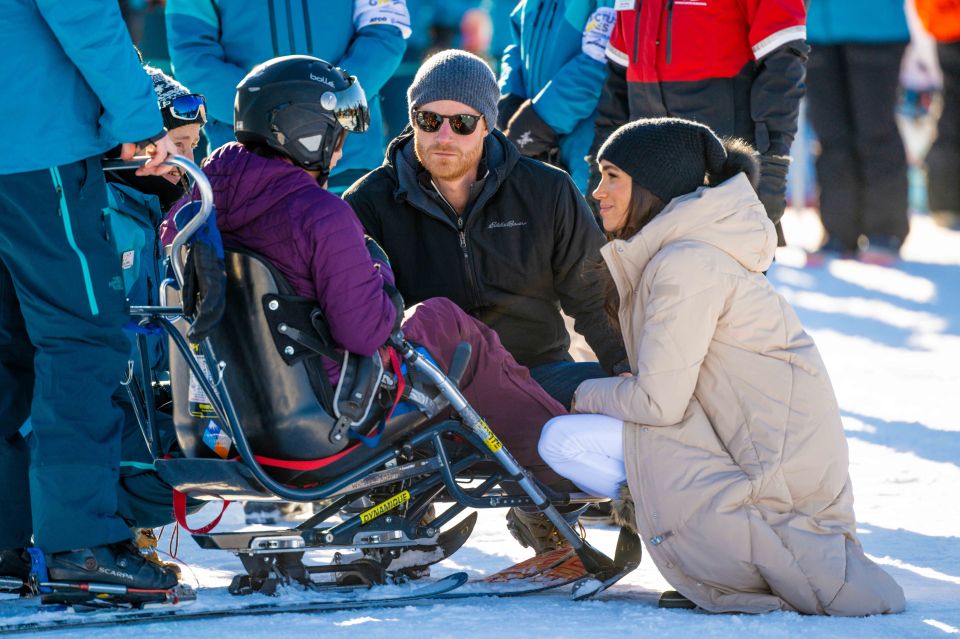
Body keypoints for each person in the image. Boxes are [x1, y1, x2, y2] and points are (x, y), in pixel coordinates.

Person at [158, 55, 572, 526]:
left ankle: (406, 512)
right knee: (447, 324)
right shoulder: (318, 214)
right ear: (304, 131)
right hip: (324, 422)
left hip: (231, 426)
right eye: (335, 133)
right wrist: (378, 272)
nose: (339, 150)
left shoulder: (196, 209)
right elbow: (364, 334)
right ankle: (562, 470)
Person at [537, 117, 907, 615]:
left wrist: (577, 390)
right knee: (603, 421)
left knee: (563, 438)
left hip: (769, 494)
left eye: (611, 176)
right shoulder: (689, 254)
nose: (596, 191)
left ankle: (699, 538)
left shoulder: (686, 266)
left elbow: (656, 401)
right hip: (762, 471)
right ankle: (679, 522)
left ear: (653, 187)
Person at [0, 2, 181, 591]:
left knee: (9, 343)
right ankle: (82, 546)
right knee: (81, 338)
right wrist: (139, 117)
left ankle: (7, 540)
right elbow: (82, 14)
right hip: (35, 143)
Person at [344, 49, 627, 412]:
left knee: (625, 405)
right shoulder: (369, 202)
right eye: (429, 120)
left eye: (461, 122)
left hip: (536, 372)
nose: (444, 136)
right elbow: (360, 315)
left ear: (487, 124)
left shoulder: (547, 190)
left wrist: (623, 366)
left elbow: (592, 294)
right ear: (412, 120)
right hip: (431, 385)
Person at [588, 0, 808, 246]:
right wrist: (600, 171)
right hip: (646, 189)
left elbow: (782, 65)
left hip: (722, 181)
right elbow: (617, 82)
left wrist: (771, 167)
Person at [164, 0, 411, 193]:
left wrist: (328, 104)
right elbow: (192, 56)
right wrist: (270, 116)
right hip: (248, 163)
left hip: (346, 161)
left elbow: (384, 34)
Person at [806, 0, 911, 263]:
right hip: (817, 27)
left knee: (875, 131)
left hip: (876, 24)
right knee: (830, 135)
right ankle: (838, 232)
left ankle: (884, 232)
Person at [497, 0, 615, 194]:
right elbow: (516, 41)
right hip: (539, 141)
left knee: (584, 218)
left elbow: (601, 59)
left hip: (586, 145)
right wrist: (510, 97)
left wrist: (539, 121)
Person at [915, 0, 960, 229]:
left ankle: (946, 205)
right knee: (952, 114)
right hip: (949, 25)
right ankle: (946, 204)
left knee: (952, 113)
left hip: (948, 24)